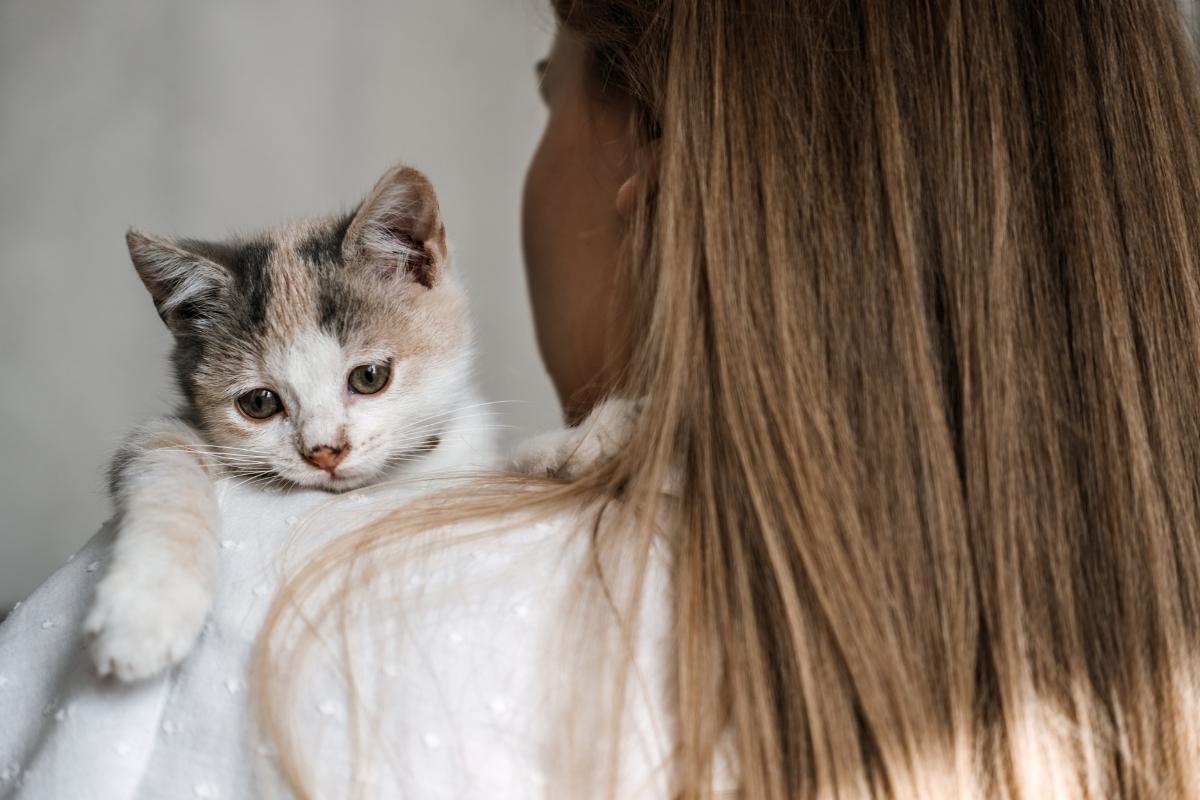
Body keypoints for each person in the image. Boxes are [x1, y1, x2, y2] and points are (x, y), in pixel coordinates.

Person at [4, 1, 1200, 798]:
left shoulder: (252, 585)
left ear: (647, 162)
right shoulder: (1149, 670)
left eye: (550, 92)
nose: (325, 447)